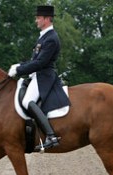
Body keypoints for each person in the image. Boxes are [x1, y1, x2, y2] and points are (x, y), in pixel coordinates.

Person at [8, 5, 70, 149]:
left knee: (28, 101)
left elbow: (41, 63)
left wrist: (19, 70)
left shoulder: (51, 38)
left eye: (38, 18)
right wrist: (20, 65)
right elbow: (34, 60)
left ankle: (51, 136)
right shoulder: (44, 36)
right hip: (37, 75)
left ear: (47, 19)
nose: (36, 20)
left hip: (44, 76)